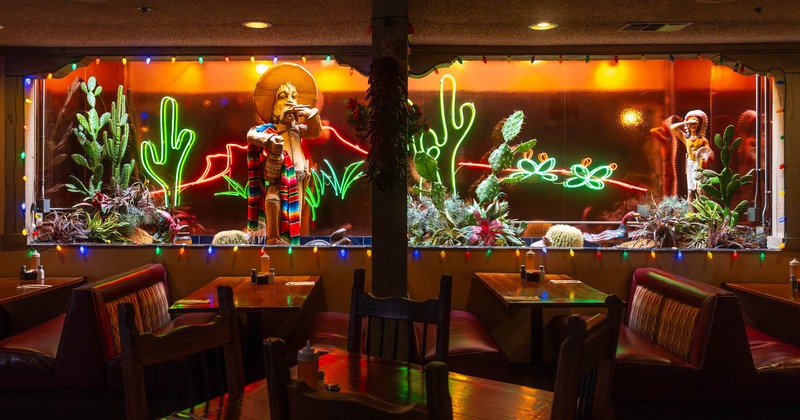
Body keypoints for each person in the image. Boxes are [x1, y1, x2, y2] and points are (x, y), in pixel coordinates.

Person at [247, 63, 322, 244]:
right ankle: (273, 239)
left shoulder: (298, 129)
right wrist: (269, 141)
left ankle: (290, 246)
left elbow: (315, 131)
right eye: (283, 96)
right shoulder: (270, 130)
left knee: (297, 218)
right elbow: (251, 135)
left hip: (300, 180)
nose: (290, 100)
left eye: (294, 96)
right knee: (273, 200)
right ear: (273, 108)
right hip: (278, 177)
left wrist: (311, 114)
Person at [670, 110, 713, 202]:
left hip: (699, 164)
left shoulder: (703, 140)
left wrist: (705, 160)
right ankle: (692, 214)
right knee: (690, 191)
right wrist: (687, 122)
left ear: (698, 125)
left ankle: (704, 212)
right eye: (691, 124)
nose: (693, 126)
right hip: (690, 164)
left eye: (695, 124)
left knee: (700, 189)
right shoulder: (686, 138)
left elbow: (708, 153)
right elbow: (672, 127)